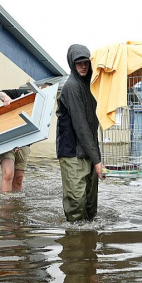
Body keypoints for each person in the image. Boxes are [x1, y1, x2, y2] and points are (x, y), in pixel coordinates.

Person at [56, 44, 103, 222]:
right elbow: (81, 125)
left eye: (86, 62)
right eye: (78, 63)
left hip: (89, 150)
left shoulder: (91, 86)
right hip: (71, 152)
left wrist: (96, 157)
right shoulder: (71, 87)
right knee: (76, 202)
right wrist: (97, 160)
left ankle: (89, 243)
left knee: (91, 205)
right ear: (72, 64)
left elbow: (93, 124)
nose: (83, 66)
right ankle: (75, 242)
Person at [0, 84, 50, 192]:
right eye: (43, 90)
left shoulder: (44, 108)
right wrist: (6, 98)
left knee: (19, 179)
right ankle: (6, 206)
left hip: (25, 143)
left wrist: (24, 142)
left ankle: (16, 205)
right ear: (38, 88)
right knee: (8, 174)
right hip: (7, 139)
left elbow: (39, 131)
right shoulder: (22, 94)